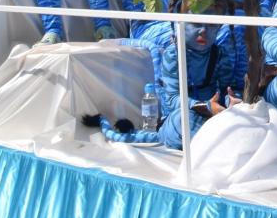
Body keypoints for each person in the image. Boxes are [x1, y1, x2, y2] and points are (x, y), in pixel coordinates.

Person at [84, 21, 233, 149]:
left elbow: (226, 90)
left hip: (214, 116)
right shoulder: (173, 55)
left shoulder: (220, 54)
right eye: (195, 24)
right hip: (179, 118)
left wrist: (231, 101)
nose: (203, 31)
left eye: (212, 25)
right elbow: (172, 100)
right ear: (178, 24)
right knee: (184, 120)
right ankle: (218, 147)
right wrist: (205, 106)